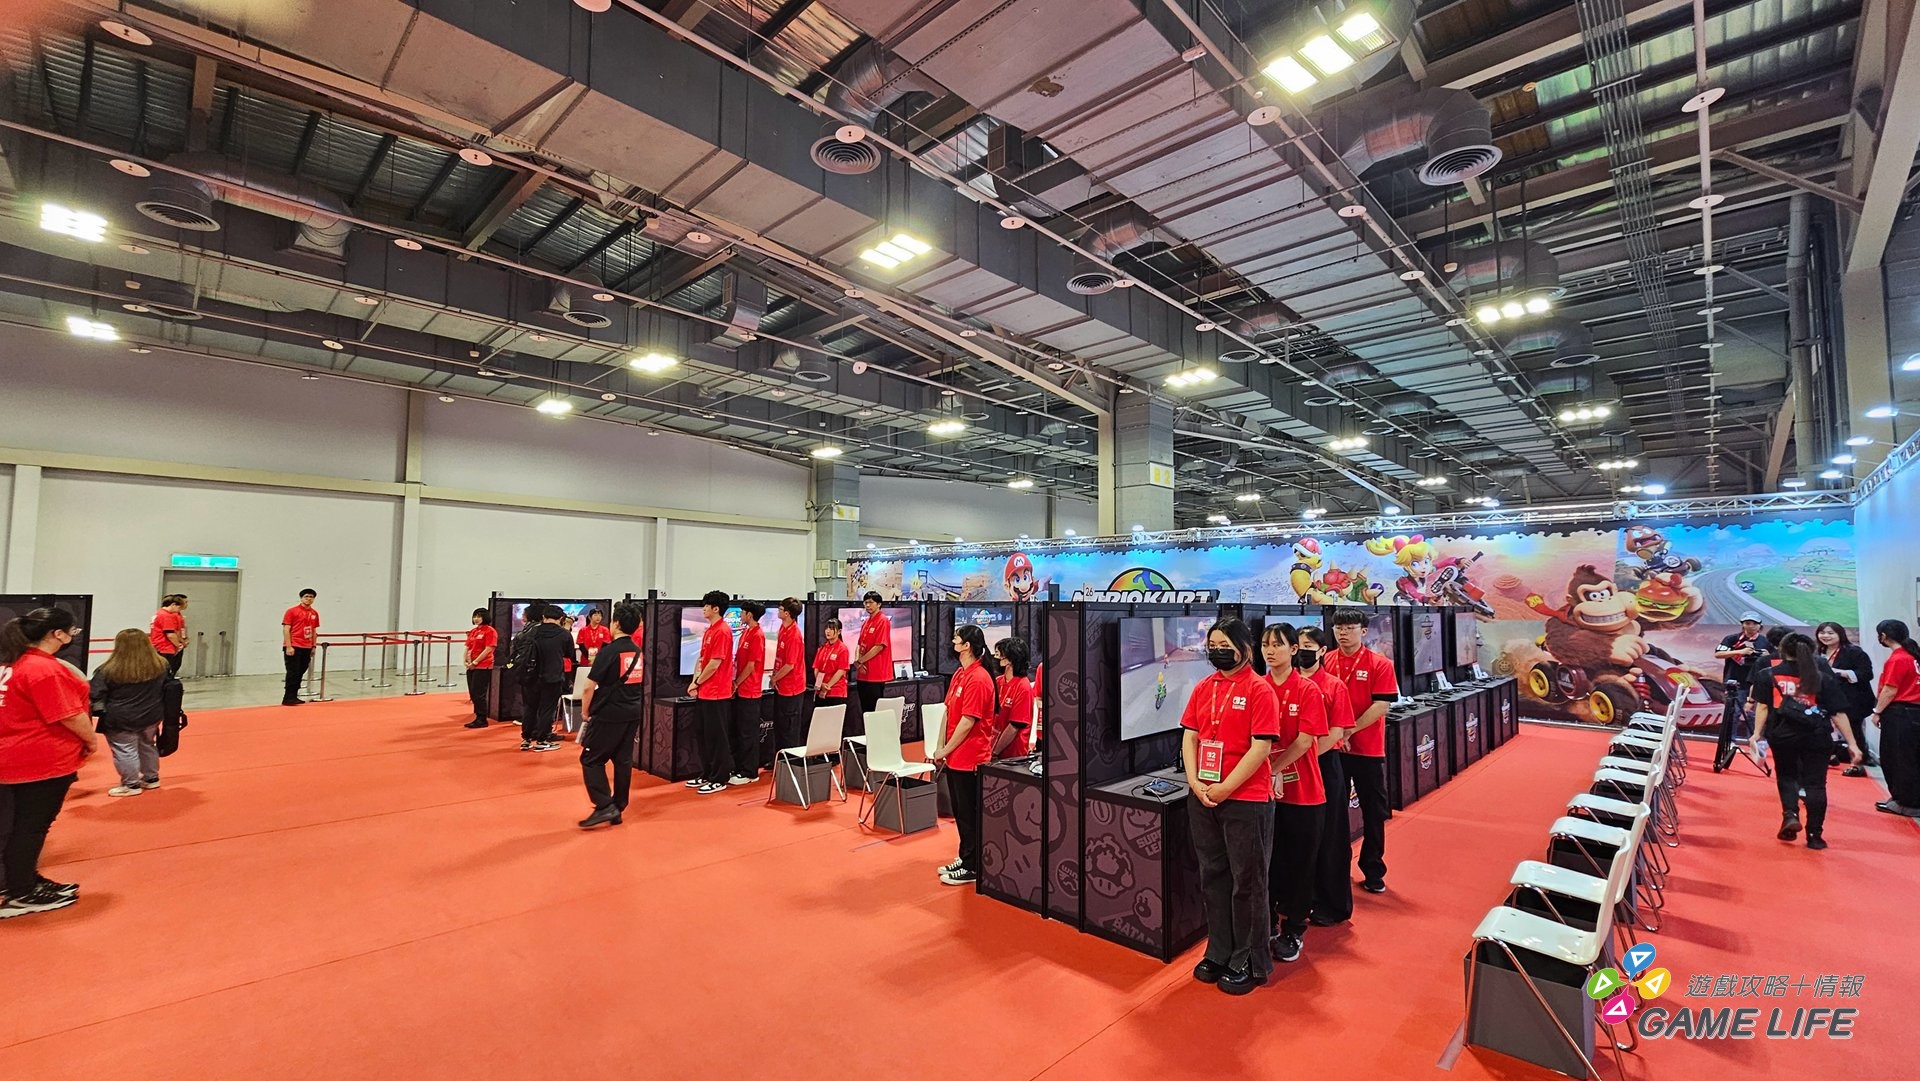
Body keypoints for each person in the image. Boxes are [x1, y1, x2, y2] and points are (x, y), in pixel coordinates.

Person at [1181, 617, 1279, 995]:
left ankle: (1250, 959)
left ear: (1245, 649)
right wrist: (1195, 782)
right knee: (1213, 876)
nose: (1218, 651)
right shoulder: (1204, 687)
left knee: (1247, 883)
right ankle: (1219, 951)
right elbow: (1190, 737)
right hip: (1204, 796)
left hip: (1246, 799)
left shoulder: (1259, 689)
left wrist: (1225, 787)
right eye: (1213, 646)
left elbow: (1261, 747)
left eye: (1225, 645)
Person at [0, 607, 93, 918]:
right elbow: (68, 714)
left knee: (17, 827)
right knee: (31, 827)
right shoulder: (43, 669)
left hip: (14, 756)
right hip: (38, 760)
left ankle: (22, 880)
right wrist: (91, 741)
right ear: (58, 634)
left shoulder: (12, 664)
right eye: (72, 631)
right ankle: (22, 891)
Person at [1257, 622, 1327, 966]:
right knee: (1268, 861)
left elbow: (1304, 740)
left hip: (1303, 792)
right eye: (1265, 645)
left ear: (1294, 650)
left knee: (1300, 863)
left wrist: (1273, 768)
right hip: (1263, 792)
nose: (1270, 651)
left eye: (1278, 645)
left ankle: (1294, 928)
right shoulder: (1258, 686)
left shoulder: (1308, 689)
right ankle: (1267, 921)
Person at [1752, 633, 1861, 850]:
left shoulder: (1768, 675)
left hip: (1782, 735)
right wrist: (1852, 744)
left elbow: (1763, 707)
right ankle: (1815, 835)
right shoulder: (1822, 678)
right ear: (1811, 651)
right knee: (1815, 784)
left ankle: (1790, 814)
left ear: (1782, 650)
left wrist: (1756, 734)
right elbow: (1838, 713)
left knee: (1787, 776)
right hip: (1817, 736)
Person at [1325, 609, 1397, 895]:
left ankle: (1373, 869)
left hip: (1367, 750)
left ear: (1363, 631)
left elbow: (1382, 705)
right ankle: (1335, 870)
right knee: (1334, 812)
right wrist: (1336, 735)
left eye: (1349, 627)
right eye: (1338, 628)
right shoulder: (1326, 661)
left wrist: (1348, 731)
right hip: (1333, 749)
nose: (1343, 633)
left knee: (1373, 811)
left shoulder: (1380, 664)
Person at [928, 623, 999, 887]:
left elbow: (968, 721)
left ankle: (973, 865)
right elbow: (948, 712)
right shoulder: (960, 674)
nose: (953, 641)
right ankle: (966, 856)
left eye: (957, 638)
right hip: (955, 756)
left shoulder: (979, 678)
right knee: (960, 812)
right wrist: (940, 747)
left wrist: (946, 749)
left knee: (970, 814)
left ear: (967, 645)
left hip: (971, 758)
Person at [1294, 625, 1355, 927]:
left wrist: (1303, 755)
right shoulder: (1285, 682)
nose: (1303, 651)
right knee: (1298, 837)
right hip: (1290, 769)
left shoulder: (1334, 686)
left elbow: (1336, 732)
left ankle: (1332, 903)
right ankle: (1297, 898)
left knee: (1330, 835)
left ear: (1321, 651)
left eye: (1309, 646)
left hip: (1322, 764)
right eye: (1298, 646)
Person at [578, 601, 647, 829]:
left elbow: (589, 686)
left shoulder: (609, 651)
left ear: (615, 623)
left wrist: (585, 712)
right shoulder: (637, 651)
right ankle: (618, 805)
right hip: (633, 711)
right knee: (622, 759)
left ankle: (604, 804)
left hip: (610, 713)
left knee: (590, 759)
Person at [89, 629, 181, 797]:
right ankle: (151, 778)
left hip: (120, 718)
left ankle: (131, 784)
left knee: (125, 749)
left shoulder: (108, 670)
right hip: (152, 715)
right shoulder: (161, 665)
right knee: (147, 744)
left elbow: (95, 693)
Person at [686, 590, 735, 795]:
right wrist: (694, 682)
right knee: (704, 735)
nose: (704, 609)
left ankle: (720, 777)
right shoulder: (709, 631)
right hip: (704, 692)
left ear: (716, 609)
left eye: (707, 606)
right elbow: (702, 660)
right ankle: (707, 773)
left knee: (717, 737)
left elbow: (715, 663)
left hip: (717, 693)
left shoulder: (722, 631)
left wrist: (698, 682)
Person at [1869, 619, 1920, 817]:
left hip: (1900, 714)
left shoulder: (1898, 658)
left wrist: (1877, 711)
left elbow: (1890, 689)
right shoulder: (1913, 657)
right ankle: (1906, 799)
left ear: (1883, 636)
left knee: (1898, 758)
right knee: (1911, 757)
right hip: (1913, 712)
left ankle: (1906, 801)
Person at [1816, 622, 1877, 774]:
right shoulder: (1818, 652)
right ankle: (1830, 756)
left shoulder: (1854, 652)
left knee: (1853, 731)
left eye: (1830, 633)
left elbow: (1866, 674)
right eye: (1822, 633)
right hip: (1827, 698)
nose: (1825, 636)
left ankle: (1857, 764)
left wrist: (1840, 672)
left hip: (1853, 699)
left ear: (1840, 634)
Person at [1713, 613, 1771, 771]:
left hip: (1756, 682)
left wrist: (1766, 656)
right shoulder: (1732, 639)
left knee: (1754, 714)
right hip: (1735, 681)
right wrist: (1739, 652)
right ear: (1742, 624)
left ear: (1759, 625)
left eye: (1754, 623)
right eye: (1747, 623)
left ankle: (1754, 742)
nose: (1750, 626)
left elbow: (1774, 658)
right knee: (1733, 712)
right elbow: (1718, 654)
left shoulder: (1765, 641)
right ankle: (1731, 741)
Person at [521, 606, 571, 752]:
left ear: (544, 617)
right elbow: (569, 654)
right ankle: (542, 740)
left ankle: (526, 739)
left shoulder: (532, 631)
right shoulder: (564, 634)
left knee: (530, 708)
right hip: (552, 677)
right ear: (561, 618)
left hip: (531, 676)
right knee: (547, 709)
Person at [730, 601, 768, 785]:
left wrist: (736, 683)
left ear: (750, 615)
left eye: (743, 612)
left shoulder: (758, 635)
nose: (741, 616)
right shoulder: (746, 632)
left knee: (749, 733)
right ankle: (740, 767)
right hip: (741, 690)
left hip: (750, 690)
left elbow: (751, 665)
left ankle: (750, 772)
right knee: (740, 732)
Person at [768, 599, 807, 766]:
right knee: (779, 726)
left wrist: (774, 678)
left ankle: (790, 764)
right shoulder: (782, 629)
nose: (778, 610)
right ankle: (779, 759)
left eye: (781, 608)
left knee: (789, 729)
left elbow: (790, 665)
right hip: (781, 686)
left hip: (792, 688)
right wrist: (775, 676)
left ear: (787, 613)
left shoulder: (794, 635)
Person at [991, 637, 1035, 758]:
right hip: (992, 748)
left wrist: (994, 752)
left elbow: (1015, 727)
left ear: (1010, 659)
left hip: (1012, 756)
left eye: (999, 654)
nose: (995, 658)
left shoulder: (1023, 687)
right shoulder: (998, 682)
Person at [852, 592, 893, 720]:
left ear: (879, 604)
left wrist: (860, 661)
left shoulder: (883, 620)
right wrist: (857, 661)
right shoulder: (866, 622)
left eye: (871, 602)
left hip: (876, 673)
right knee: (865, 711)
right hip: (862, 673)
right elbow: (859, 644)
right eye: (866, 603)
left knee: (875, 711)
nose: (868, 605)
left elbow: (879, 646)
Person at [281, 588, 320, 706]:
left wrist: (313, 646)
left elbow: (314, 631)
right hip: (294, 645)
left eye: (311, 597)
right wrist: (289, 646)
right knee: (293, 671)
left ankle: (294, 695)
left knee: (301, 671)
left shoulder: (314, 613)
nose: (309, 599)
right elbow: (286, 629)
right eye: (306, 596)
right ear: (301, 598)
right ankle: (288, 697)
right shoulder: (292, 611)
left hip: (306, 646)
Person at [813, 617, 850, 732]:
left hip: (836, 692)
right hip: (821, 691)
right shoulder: (822, 648)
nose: (828, 631)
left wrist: (827, 686)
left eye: (831, 629)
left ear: (839, 631)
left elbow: (841, 670)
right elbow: (816, 668)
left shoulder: (843, 649)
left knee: (834, 726)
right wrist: (820, 685)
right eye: (827, 628)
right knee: (820, 726)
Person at [462, 608, 497, 729]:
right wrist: (465, 660)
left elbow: (489, 648)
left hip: (483, 665)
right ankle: (478, 715)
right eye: (475, 616)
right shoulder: (473, 631)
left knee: (479, 693)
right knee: (473, 692)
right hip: (471, 665)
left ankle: (482, 718)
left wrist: (476, 661)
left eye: (479, 616)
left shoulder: (490, 631)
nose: (476, 619)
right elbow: (467, 646)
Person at [149, 594, 188, 676]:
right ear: (173, 605)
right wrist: (179, 645)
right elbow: (170, 634)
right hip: (165, 647)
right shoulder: (166, 616)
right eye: (179, 608)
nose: (178, 611)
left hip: (158, 645)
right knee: (167, 672)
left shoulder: (159, 613)